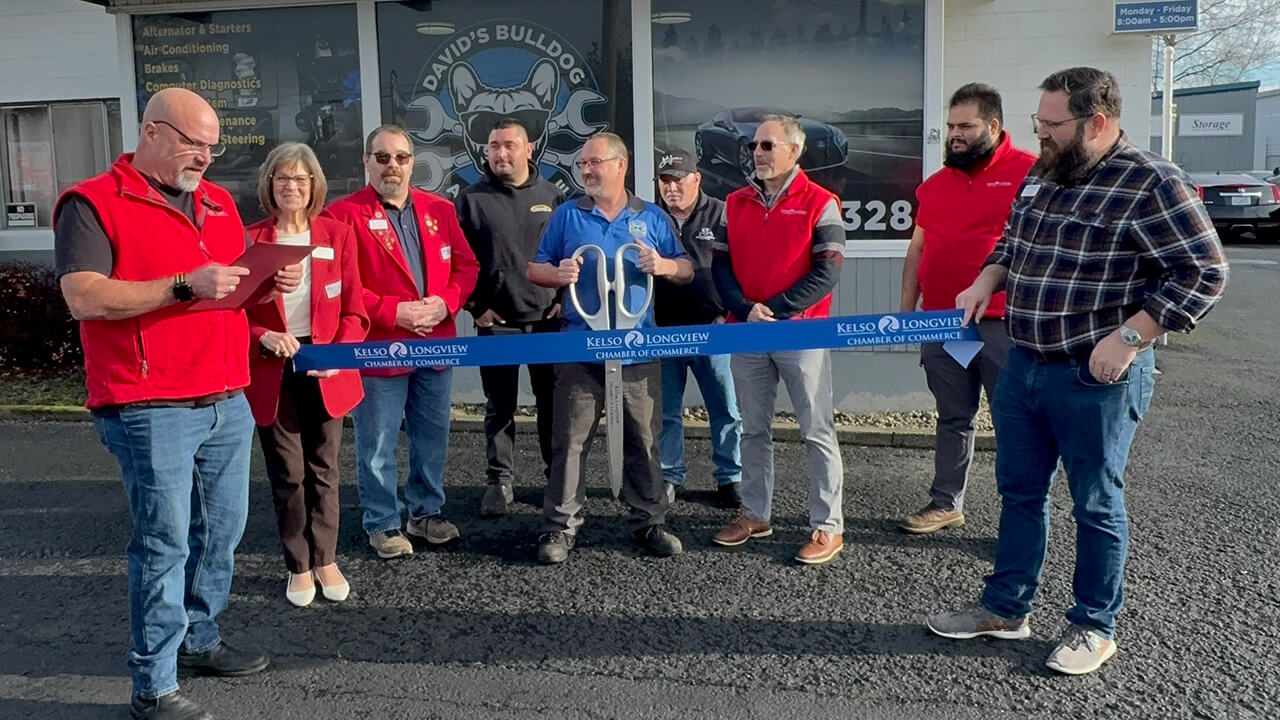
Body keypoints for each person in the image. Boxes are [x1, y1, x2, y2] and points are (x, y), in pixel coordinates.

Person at [927, 67, 1228, 675]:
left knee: (1094, 504)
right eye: (1038, 122)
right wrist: (986, 280)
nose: (1040, 134)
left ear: (1097, 122)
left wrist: (1132, 336)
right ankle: (1005, 609)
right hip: (1024, 366)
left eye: (1052, 124)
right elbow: (1012, 244)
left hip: (1096, 377)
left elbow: (1204, 272)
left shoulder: (1151, 182)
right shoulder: (1045, 173)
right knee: (1018, 493)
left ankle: (1094, 625)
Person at [54, 87, 294, 720]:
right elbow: (84, 297)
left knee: (222, 532)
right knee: (164, 544)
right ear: (152, 132)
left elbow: (229, 293)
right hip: (149, 402)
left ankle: (198, 638)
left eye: (212, 147)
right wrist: (184, 286)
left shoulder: (217, 202)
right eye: (193, 144)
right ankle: (153, 686)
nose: (206, 158)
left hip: (225, 393)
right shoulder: (92, 203)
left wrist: (268, 281)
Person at [526, 131, 693, 564]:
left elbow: (686, 269)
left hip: (638, 352)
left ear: (620, 165)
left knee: (644, 439)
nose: (586, 171)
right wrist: (558, 274)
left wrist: (664, 265)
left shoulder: (651, 216)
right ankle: (559, 527)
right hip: (579, 351)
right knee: (570, 441)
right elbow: (535, 268)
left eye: (594, 163)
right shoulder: (567, 215)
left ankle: (649, 521)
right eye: (582, 164)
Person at [324, 125, 480, 559]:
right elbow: (340, 286)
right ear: (366, 162)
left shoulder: (439, 209)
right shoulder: (342, 215)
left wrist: (445, 304)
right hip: (380, 348)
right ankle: (382, 521)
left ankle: (426, 512)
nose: (392, 165)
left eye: (401, 157)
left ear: (412, 163)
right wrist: (395, 312)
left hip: (435, 343)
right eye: (382, 157)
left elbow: (466, 266)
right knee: (377, 443)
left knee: (432, 437)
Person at [898, 83, 1036, 534]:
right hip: (944, 326)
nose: (954, 134)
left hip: (1002, 326)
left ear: (993, 126)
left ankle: (1019, 524)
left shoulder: (1031, 174)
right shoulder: (935, 185)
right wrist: (907, 309)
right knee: (954, 417)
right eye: (950, 126)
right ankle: (946, 503)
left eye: (966, 126)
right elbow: (918, 248)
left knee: (1015, 424)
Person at [710, 113, 846, 566]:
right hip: (748, 329)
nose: (757, 153)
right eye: (754, 145)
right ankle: (755, 514)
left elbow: (828, 270)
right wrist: (745, 308)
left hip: (800, 333)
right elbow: (720, 266)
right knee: (752, 429)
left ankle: (828, 525)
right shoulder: (734, 202)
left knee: (816, 431)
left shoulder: (821, 201)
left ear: (794, 151)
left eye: (767, 145)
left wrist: (777, 309)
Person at [245, 142, 369, 607]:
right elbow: (233, 312)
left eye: (300, 178)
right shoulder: (251, 239)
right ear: (269, 184)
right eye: (282, 178)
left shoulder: (338, 235)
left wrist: (340, 353)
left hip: (325, 365)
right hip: (273, 365)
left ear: (314, 184)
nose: (291, 186)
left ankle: (326, 558)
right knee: (288, 472)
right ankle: (298, 564)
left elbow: (355, 310)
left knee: (325, 469)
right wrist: (262, 335)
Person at [456, 117, 565, 517]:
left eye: (509, 145)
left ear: (528, 149)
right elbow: (458, 261)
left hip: (546, 318)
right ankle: (499, 481)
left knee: (551, 404)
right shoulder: (471, 199)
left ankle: (556, 479)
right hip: (496, 320)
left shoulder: (552, 196)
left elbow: (568, 251)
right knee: (499, 405)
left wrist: (563, 299)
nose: (500, 153)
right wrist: (475, 306)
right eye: (494, 146)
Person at [652, 148, 743, 509]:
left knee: (724, 409)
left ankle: (730, 476)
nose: (671, 188)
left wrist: (729, 313)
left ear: (696, 179)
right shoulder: (651, 217)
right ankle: (669, 475)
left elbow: (739, 267)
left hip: (712, 329)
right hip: (663, 331)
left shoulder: (722, 213)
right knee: (666, 412)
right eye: (665, 181)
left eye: (678, 180)